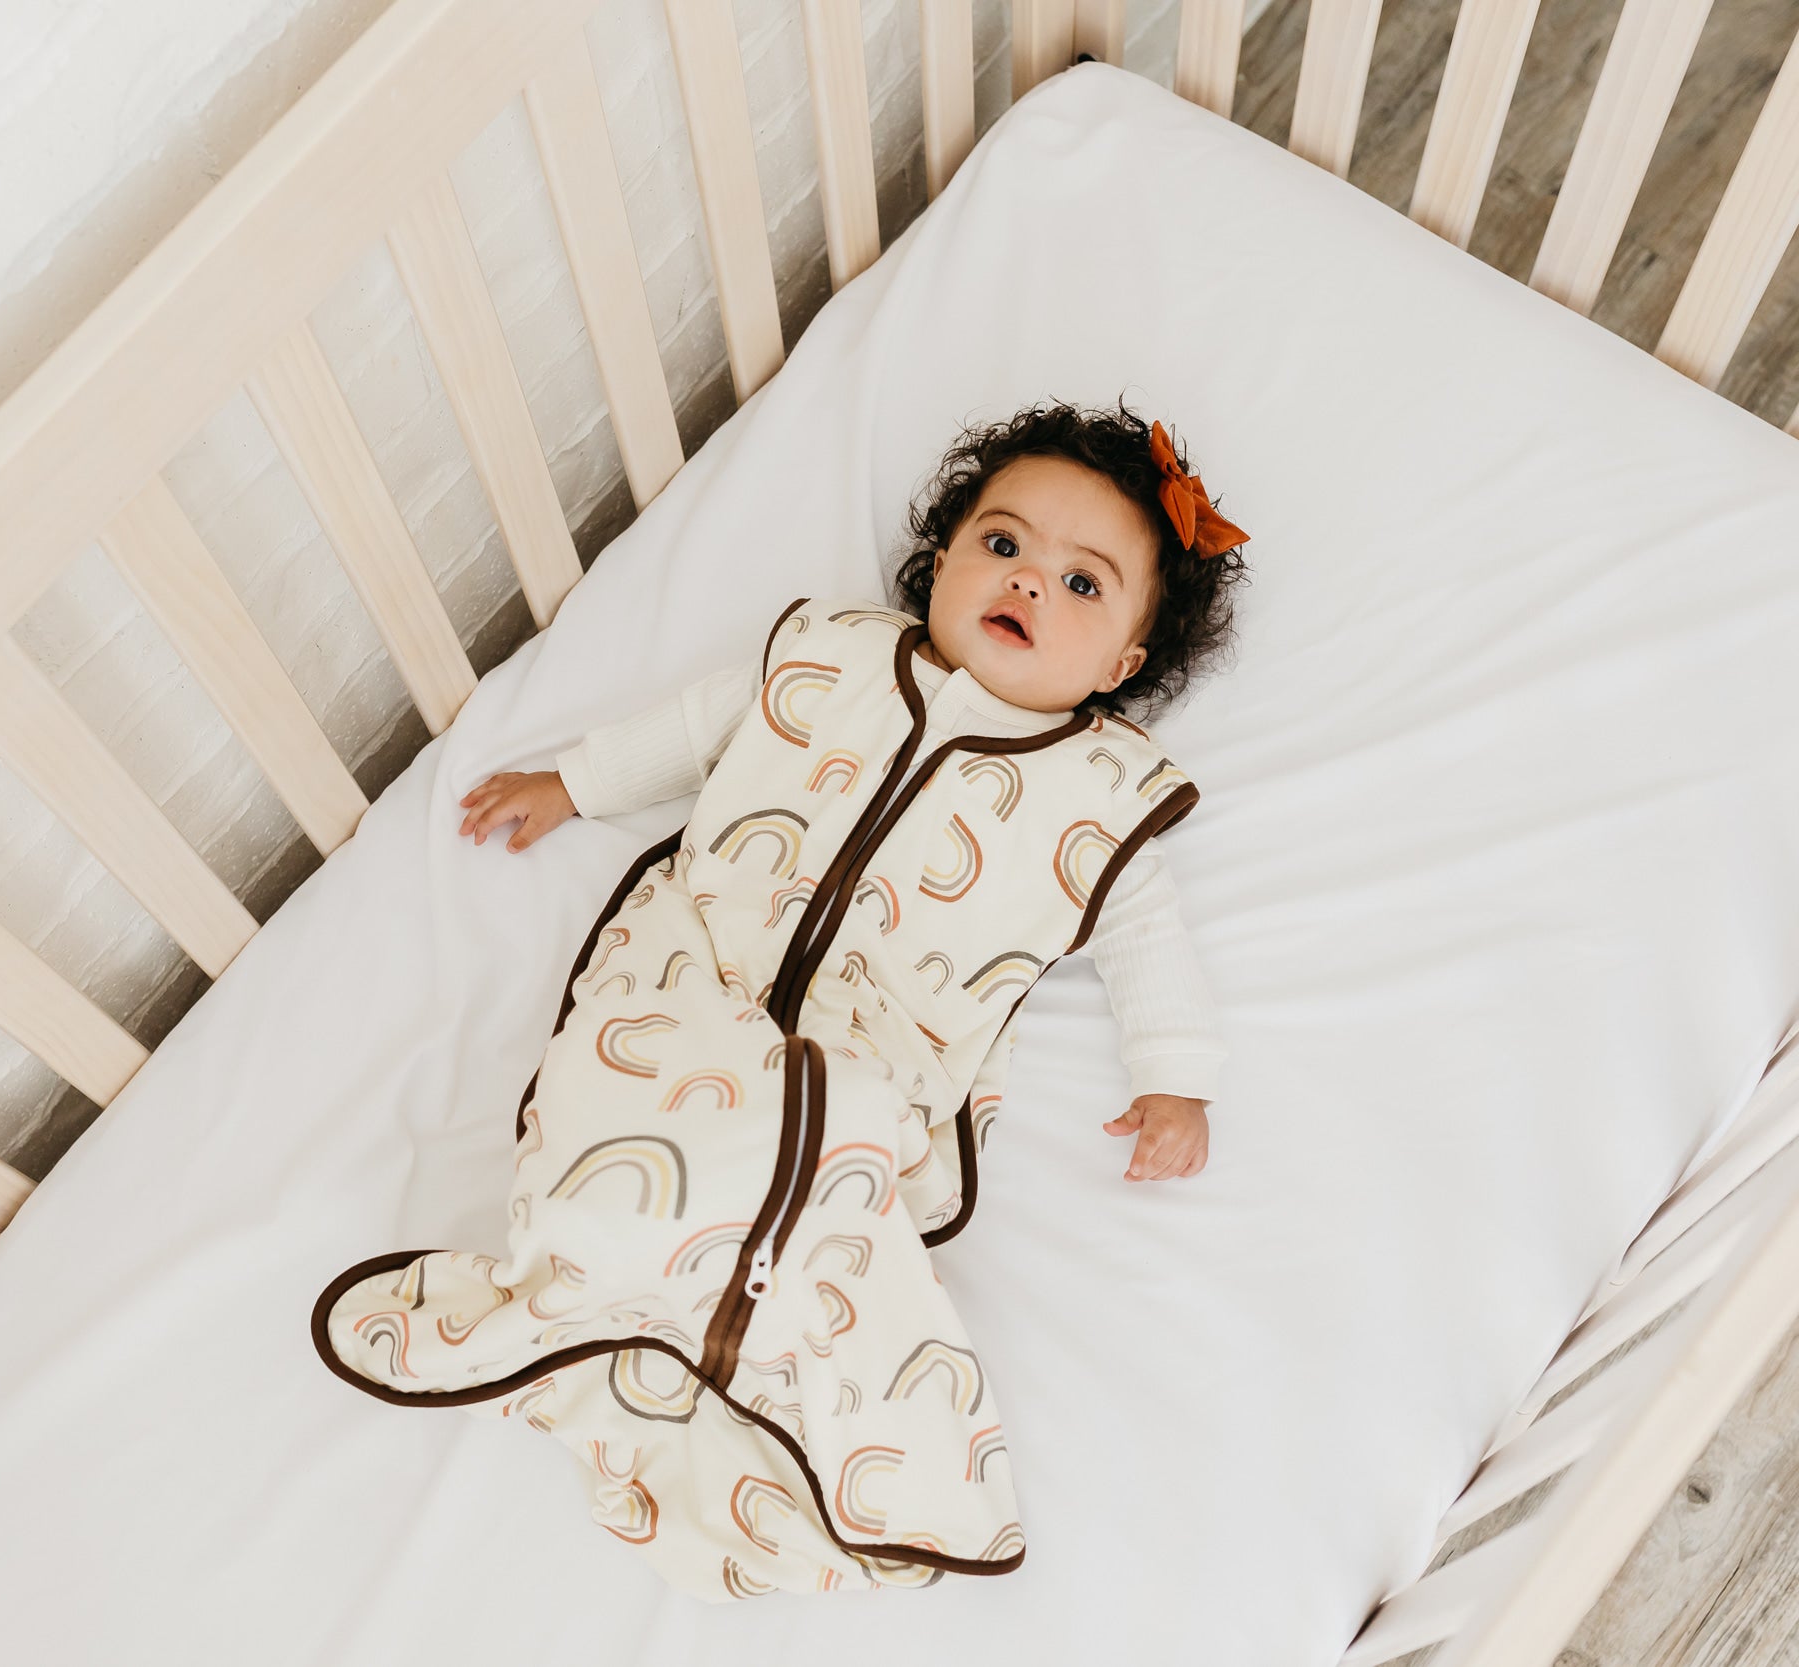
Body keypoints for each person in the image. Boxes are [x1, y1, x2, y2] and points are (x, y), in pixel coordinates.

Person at [313, 396, 1251, 1600]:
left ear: (1121, 664)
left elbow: (1145, 941)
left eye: (1082, 584)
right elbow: (696, 729)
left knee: (833, 1185)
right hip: (699, 971)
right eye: (1002, 542)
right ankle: (569, 1295)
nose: (1028, 581)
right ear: (943, 557)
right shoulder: (835, 658)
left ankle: (810, 1428)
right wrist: (575, 783)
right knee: (622, 1141)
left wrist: (1175, 1077)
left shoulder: (1097, 798)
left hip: (875, 1048)